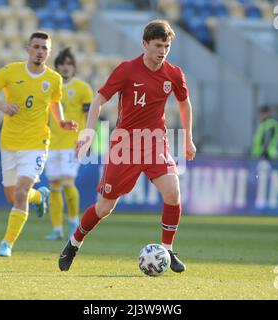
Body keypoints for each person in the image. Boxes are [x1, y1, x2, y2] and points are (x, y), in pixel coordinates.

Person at [58, 20, 197, 273]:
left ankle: (167, 250)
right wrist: (88, 132)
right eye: (157, 45)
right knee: (105, 207)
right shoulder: (127, 70)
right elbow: (99, 99)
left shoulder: (174, 74)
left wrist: (188, 138)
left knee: (173, 193)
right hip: (125, 146)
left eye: (166, 46)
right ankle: (74, 242)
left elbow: (185, 104)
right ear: (145, 44)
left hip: (155, 143)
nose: (162, 51)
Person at [0, 31, 78, 257]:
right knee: (13, 196)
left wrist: (61, 121)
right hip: (10, 143)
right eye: (36, 46)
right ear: (28, 49)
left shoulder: (53, 79)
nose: (40, 51)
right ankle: (40, 196)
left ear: (49, 52)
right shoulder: (10, 71)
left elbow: (55, 103)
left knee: (21, 193)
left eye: (44, 48)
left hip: (36, 144)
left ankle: (7, 243)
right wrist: (3, 106)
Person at [44, 48, 93, 240]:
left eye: (69, 64)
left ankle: (73, 219)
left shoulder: (83, 88)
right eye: (62, 64)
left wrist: (87, 138)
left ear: (74, 67)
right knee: (54, 185)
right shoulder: (50, 87)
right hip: (51, 142)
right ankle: (57, 229)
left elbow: (90, 115)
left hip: (73, 142)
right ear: (56, 67)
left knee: (67, 180)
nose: (65, 68)